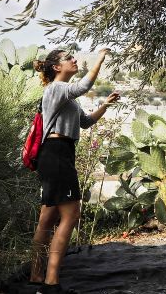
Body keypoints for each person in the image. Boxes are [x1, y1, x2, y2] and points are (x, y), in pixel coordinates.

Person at [28, 48, 120, 294]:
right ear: (57, 67)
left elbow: (86, 122)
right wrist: (100, 60)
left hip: (58, 153)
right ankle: (51, 282)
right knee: (71, 215)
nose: (74, 60)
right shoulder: (57, 89)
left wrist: (105, 105)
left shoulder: (67, 98)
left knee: (47, 219)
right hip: (57, 153)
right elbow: (83, 86)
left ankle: (36, 275)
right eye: (69, 58)